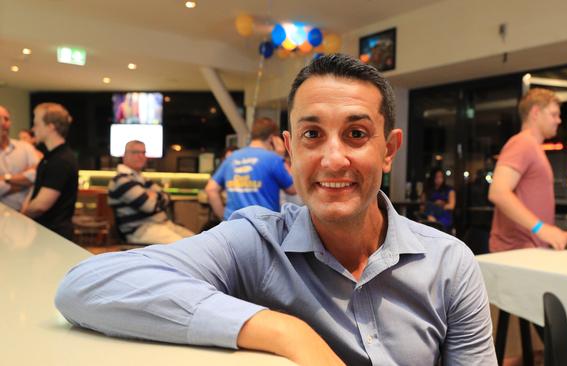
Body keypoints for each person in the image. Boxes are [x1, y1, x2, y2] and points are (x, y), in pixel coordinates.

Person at [55, 54, 497, 365]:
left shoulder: (449, 263)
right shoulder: (255, 243)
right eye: (312, 135)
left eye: (357, 134)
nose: (333, 158)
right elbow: (85, 286)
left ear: (389, 150)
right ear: (289, 151)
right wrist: (288, 332)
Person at [488, 88, 567, 252]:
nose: (558, 120)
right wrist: (541, 228)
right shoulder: (523, 143)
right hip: (515, 250)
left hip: (526, 250)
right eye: (553, 114)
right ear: (535, 112)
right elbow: (498, 192)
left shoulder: (533, 147)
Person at [205, 117, 296, 220]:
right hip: (264, 227)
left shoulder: (232, 158)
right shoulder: (273, 159)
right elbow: (293, 189)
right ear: (273, 139)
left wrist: (225, 217)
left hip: (232, 227)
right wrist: (282, 156)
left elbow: (211, 189)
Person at [108, 140, 194, 244]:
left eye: (143, 152)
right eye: (135, 152)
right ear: (124, 156)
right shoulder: (121, 180)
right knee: (184, 247)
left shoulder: (142, 179)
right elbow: (149, 206)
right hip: (140, 230)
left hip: (162, 225)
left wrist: (153, 196)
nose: (141, 156)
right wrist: (155, 196)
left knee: (197, 242)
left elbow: (167, 197)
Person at [22, 103, 78, 241]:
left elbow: (40, 205)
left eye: (36, 123)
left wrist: (21, 216)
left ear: (51, 126)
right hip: (47, 234)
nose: (33, 129)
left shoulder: (61, 160)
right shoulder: (50, 156)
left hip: (55, 237)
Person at [0, 106, 41, 210]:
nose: (3, 123)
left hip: (26, 218)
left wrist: (6, 178)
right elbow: (31, 178)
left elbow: (38, 174)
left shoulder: (25, 148)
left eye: (6, 119)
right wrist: (24, 182)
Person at [419, 167, 455, 232]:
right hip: (429, 213)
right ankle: (431, 220)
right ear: (433, 178)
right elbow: (422, 206)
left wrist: (440, 205)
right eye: (437, 177)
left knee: (431, 207)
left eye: (441, 177)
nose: (439, 179)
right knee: (429, 206)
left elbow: (451, 206)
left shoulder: (449, 190)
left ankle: (433, 221)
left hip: (443, 213)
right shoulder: (427, 190)